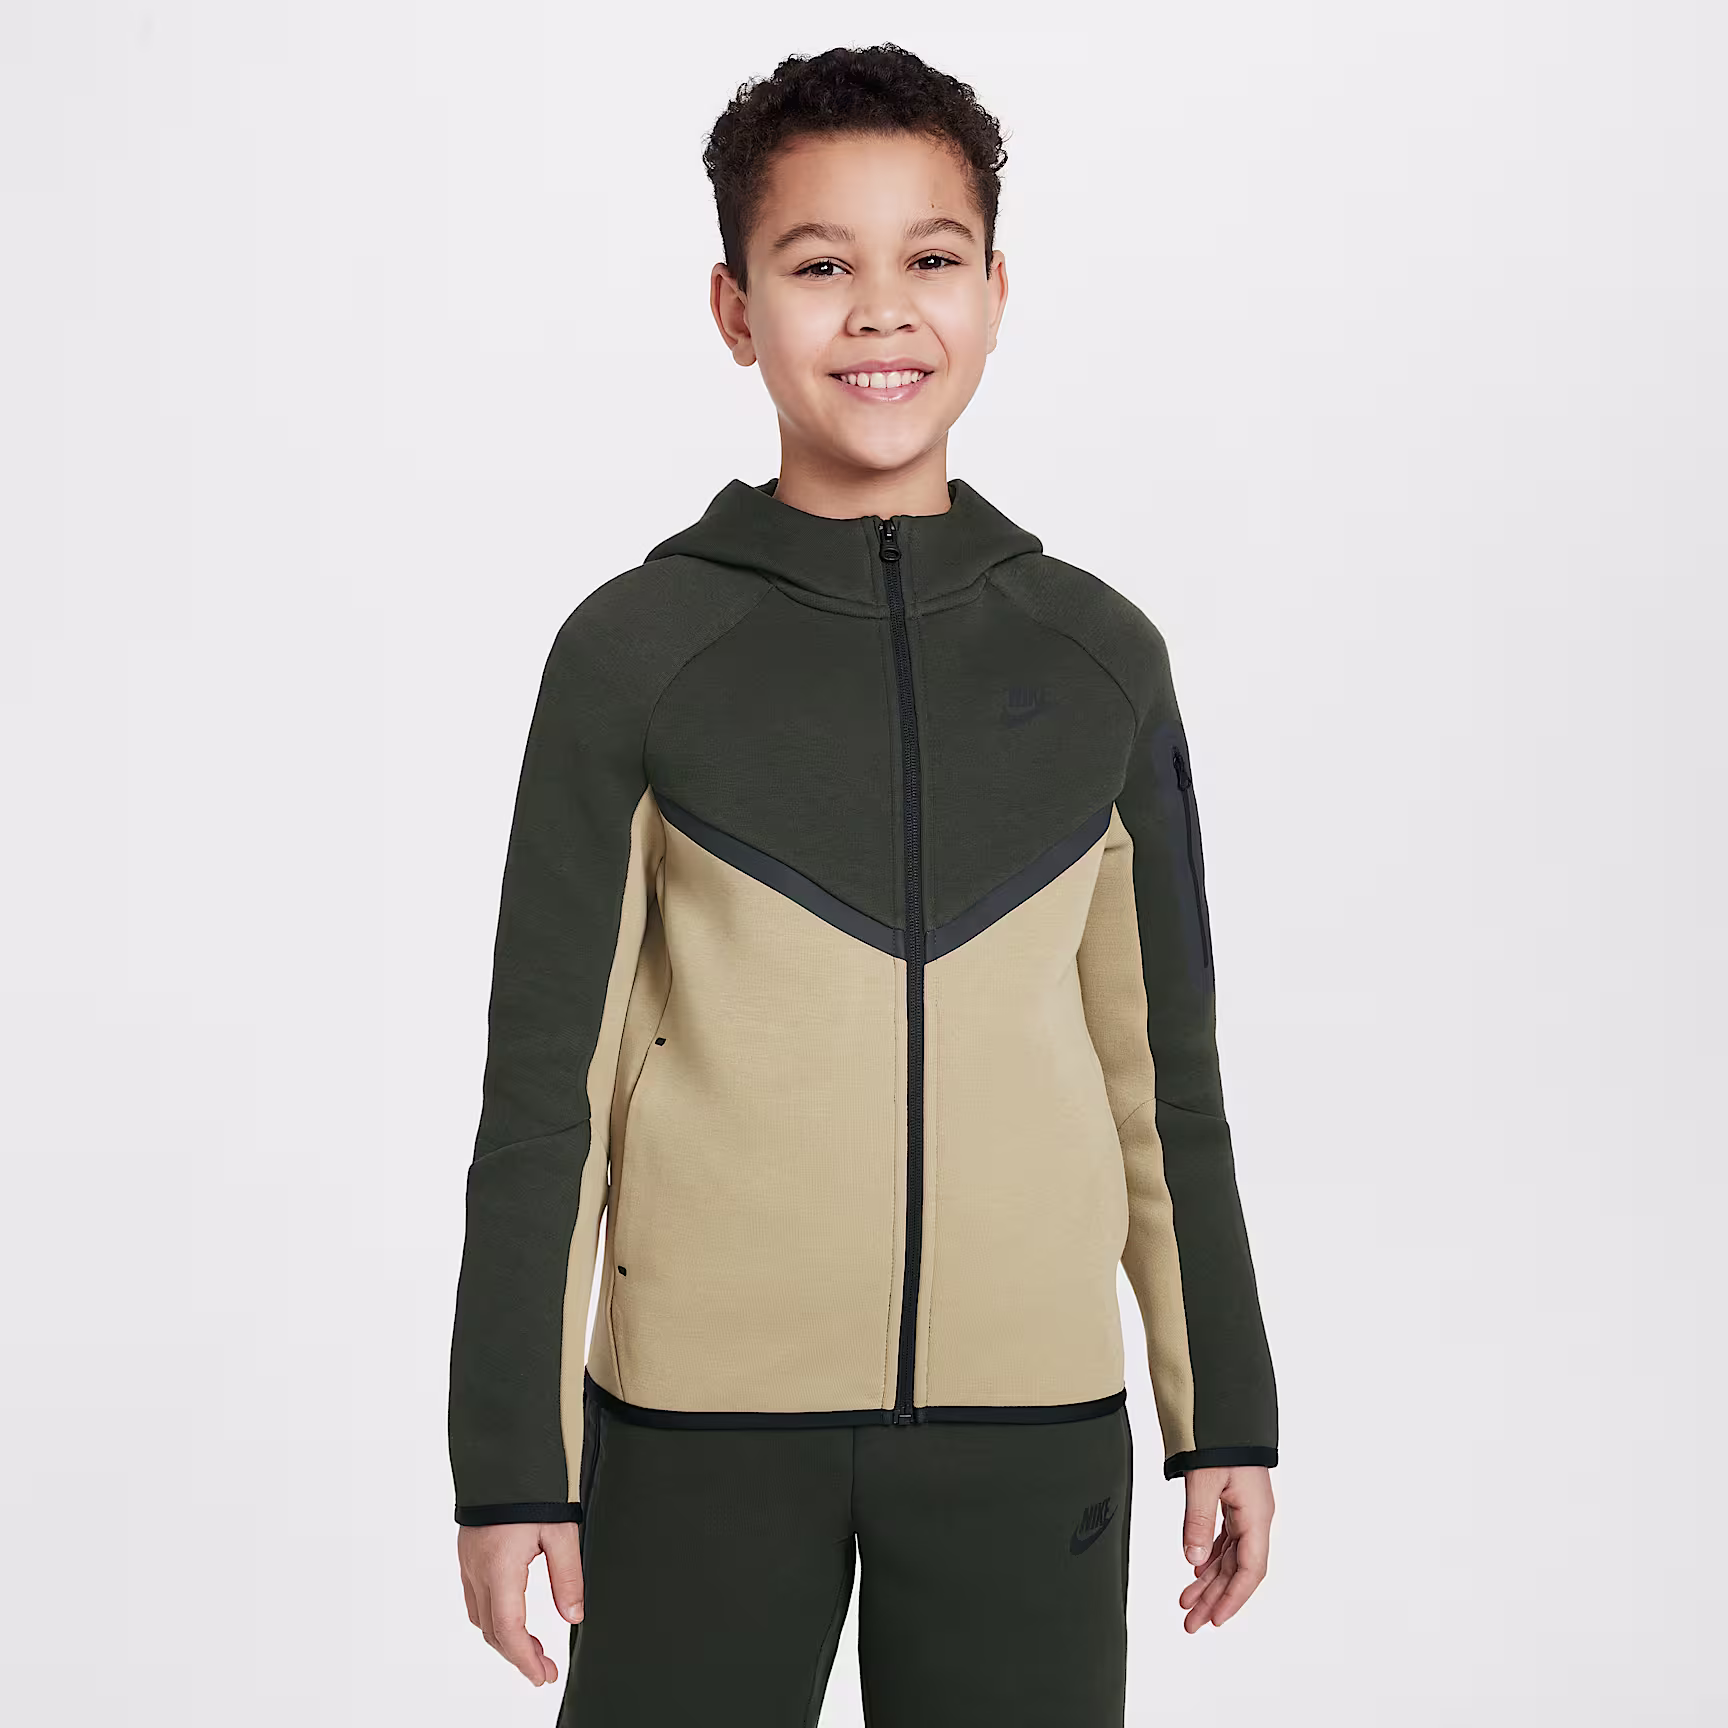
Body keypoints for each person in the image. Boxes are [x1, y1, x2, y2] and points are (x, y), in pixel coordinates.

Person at [448, 42, 1277, 1725]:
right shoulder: (636, 653)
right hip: (695, 1433)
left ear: (995, 293)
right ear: (734, 307)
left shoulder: (1099, 657)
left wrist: (1226, 1417)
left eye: (931, 258)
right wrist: (508, 1457)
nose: (881, 311)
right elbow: (545, 1092)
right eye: (820, 264)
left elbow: (1163, 1084)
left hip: (1029, 1431)